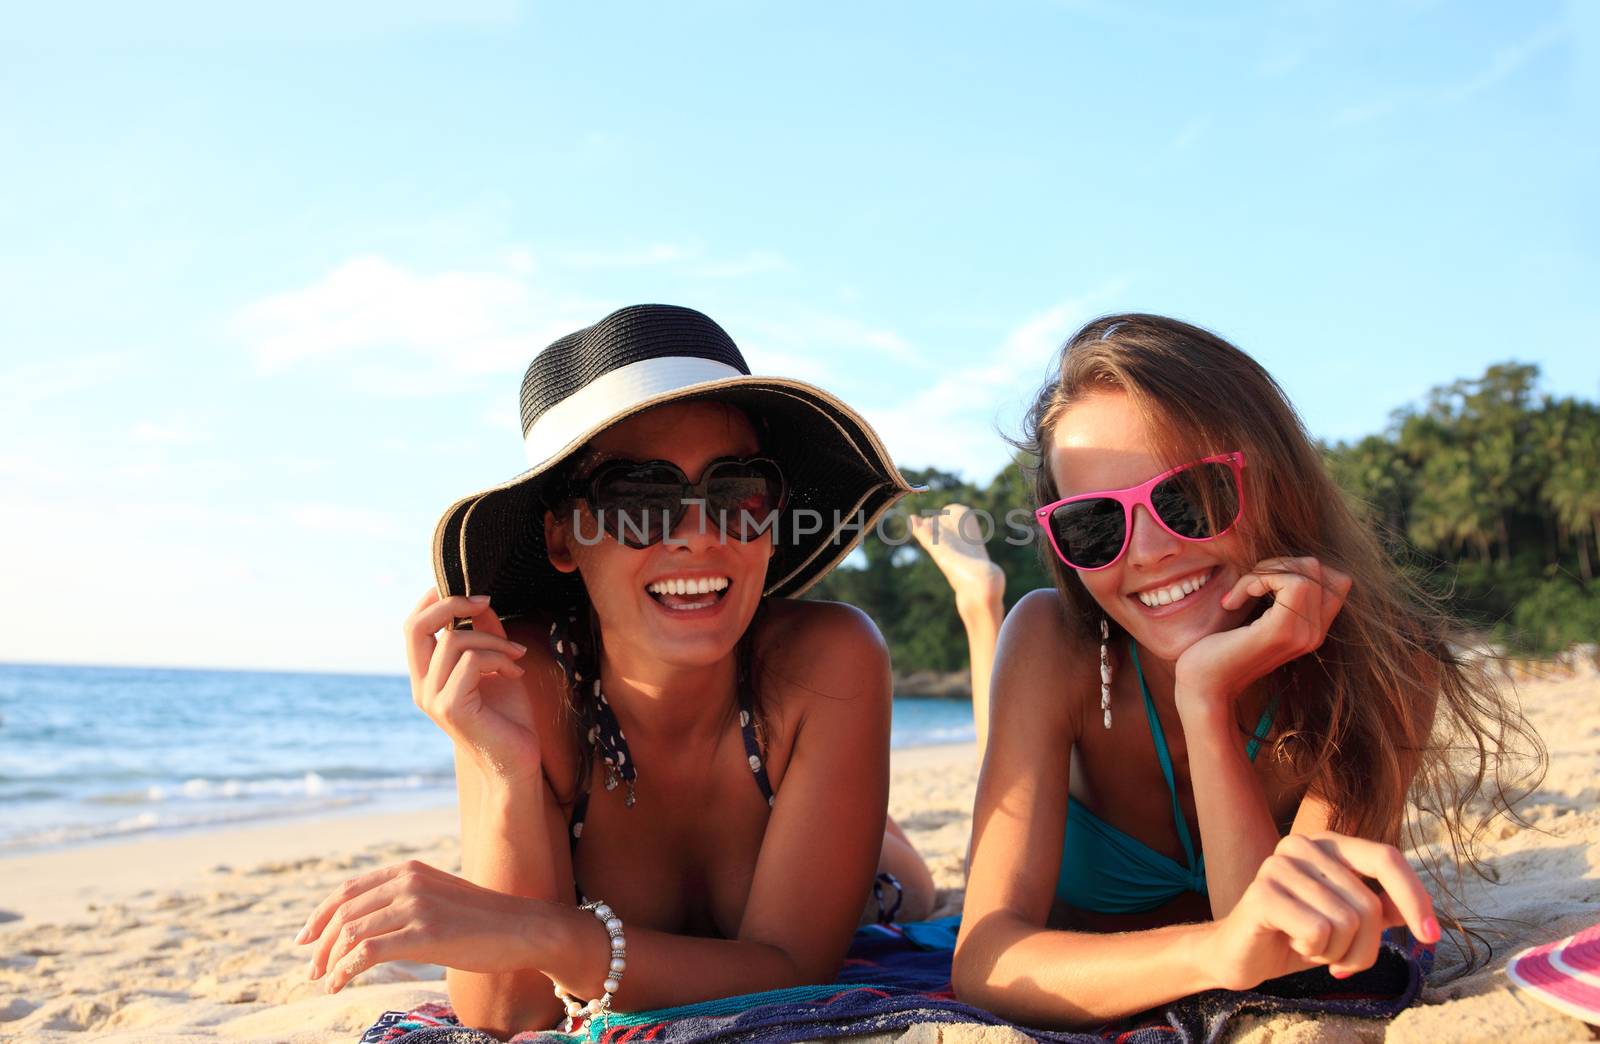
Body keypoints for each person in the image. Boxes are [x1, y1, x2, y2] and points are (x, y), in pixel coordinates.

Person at [293, 304, 935, 1037]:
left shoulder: (827, 660)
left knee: (903, 877)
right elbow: (508, 1014)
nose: (699, 535)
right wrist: (504, 771)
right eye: (639, 501)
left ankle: (870, 819)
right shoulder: (520, 680)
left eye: (736, 493)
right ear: (564, 535)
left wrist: (553, 937)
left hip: (880, 873)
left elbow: (795, 971)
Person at [926, 314, 1536, 1027]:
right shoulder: (1052, 640)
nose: (1149, 550)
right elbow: (984, 960)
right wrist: (1218, 952)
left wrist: (1205, 699)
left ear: (1278, 483)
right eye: (1094, 523)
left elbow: (1287, 956)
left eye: (1188, 497)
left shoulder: (1387, 660)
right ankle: (980, 604)